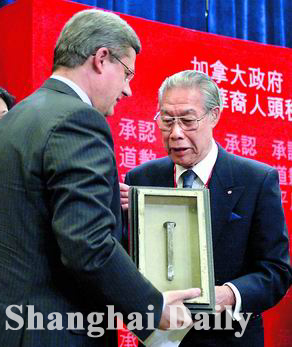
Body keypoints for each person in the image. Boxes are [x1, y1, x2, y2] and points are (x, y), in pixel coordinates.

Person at [0, 11, 201, 347]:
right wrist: (153, 307)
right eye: (127, 74)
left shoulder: (16, 117)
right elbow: (87, 243)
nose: (129, 90)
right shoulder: (77, 120)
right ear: (101, 58)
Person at [120, 70, 292, 347]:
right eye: (167, 121)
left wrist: (228, 294)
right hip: (159, 339)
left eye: (187, 121)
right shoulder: (141, 179)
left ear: (214, 116)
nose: (175, 134)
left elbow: (276, 271)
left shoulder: (255, 180)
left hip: (229, 338)